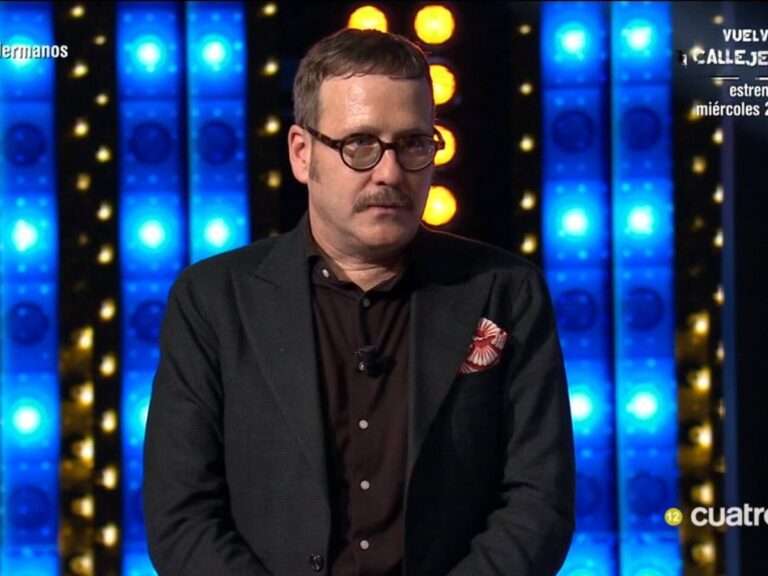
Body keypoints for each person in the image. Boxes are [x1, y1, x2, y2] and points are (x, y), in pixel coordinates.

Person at [143, 28, 574, 576]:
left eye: (414, 143)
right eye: (360, 145)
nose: (390, 172)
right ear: (302, 154)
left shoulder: (506, 291)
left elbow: (539, 502)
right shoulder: (212, 301)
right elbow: (182, 517)